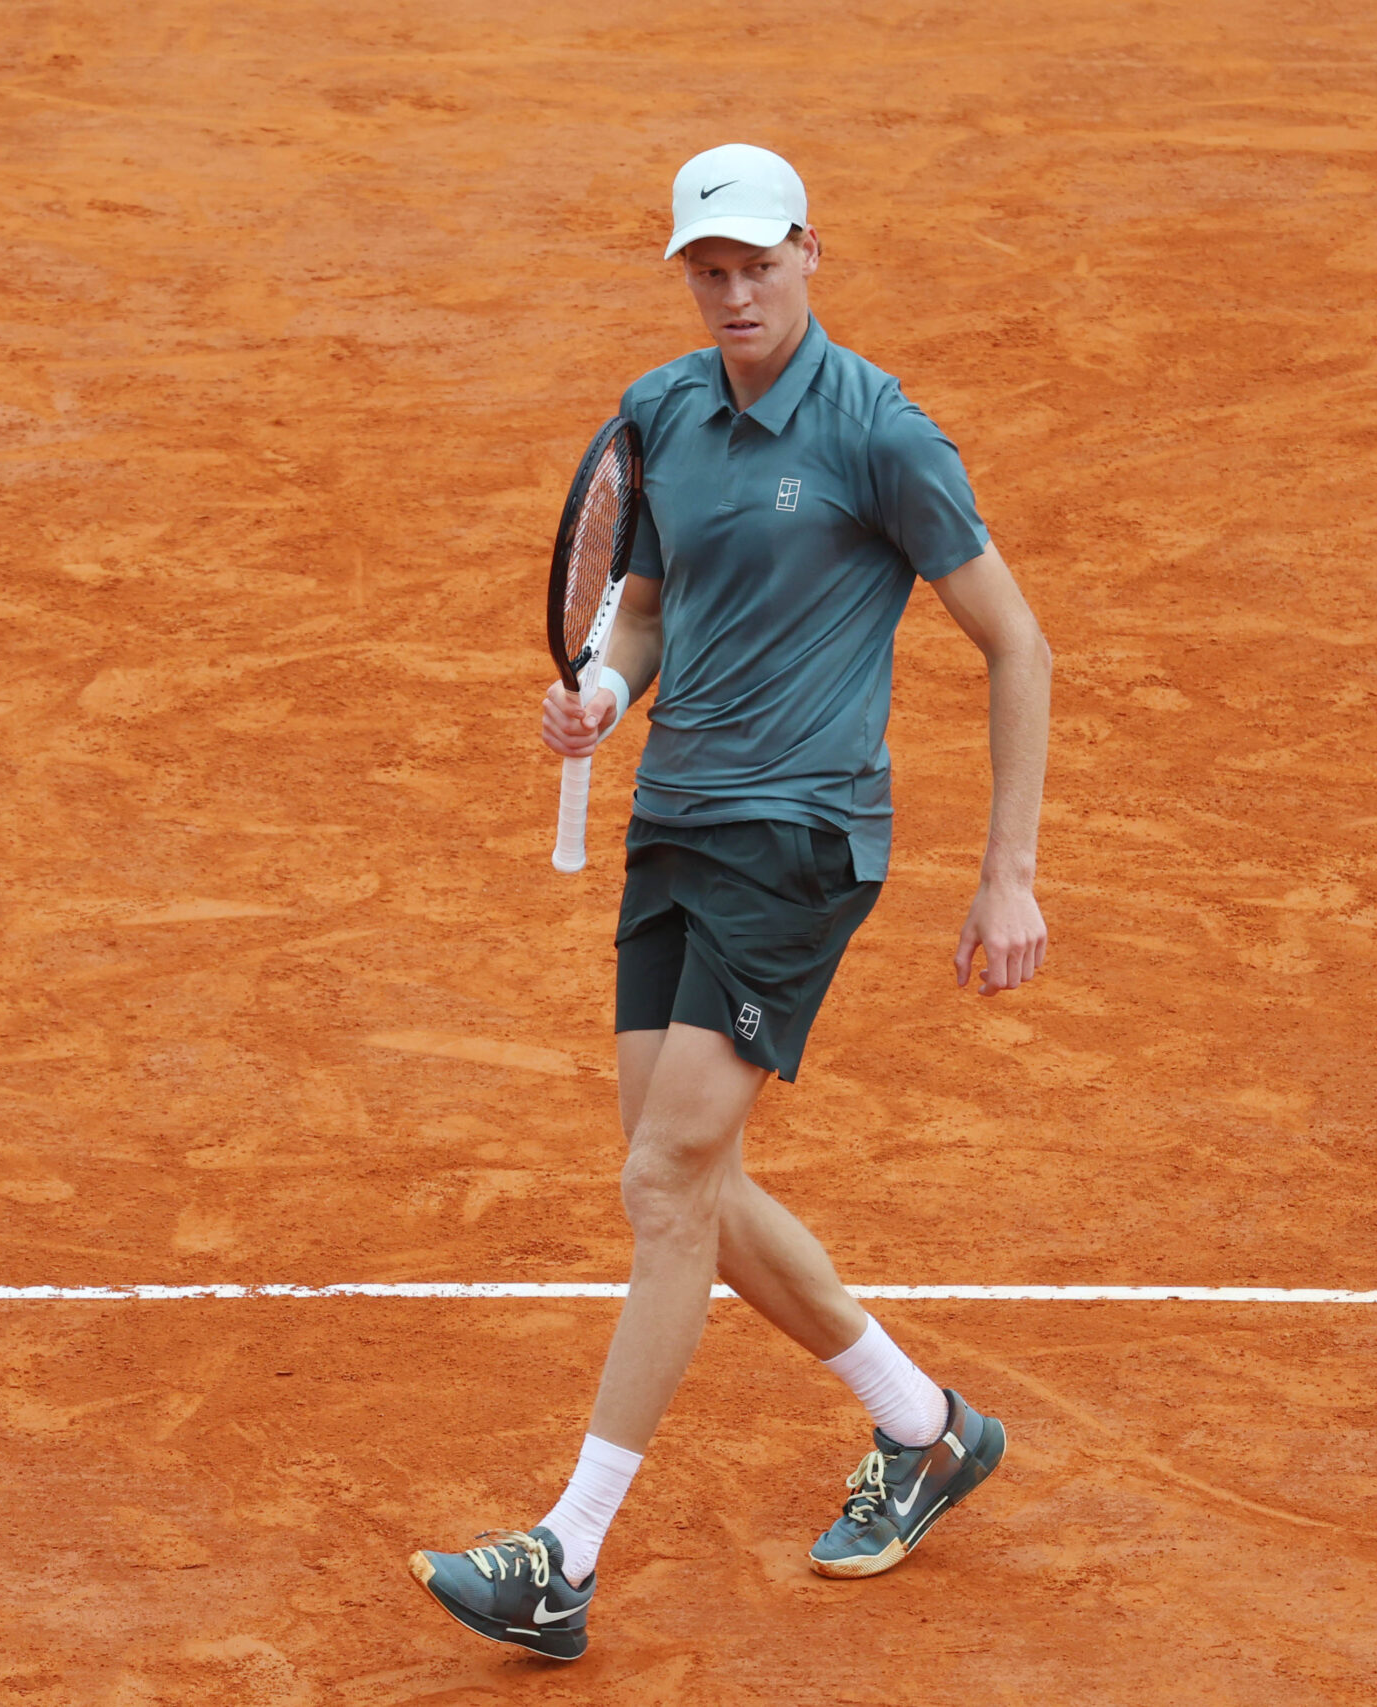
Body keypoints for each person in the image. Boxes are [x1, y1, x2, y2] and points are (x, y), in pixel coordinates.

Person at [408, 143, 1052, 1662]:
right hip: (676, 827)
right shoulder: (663, 411)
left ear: (809, 253)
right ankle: (926, 1428)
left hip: (802, 843)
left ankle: (563, 1556)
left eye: (760, 263)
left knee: (662, 1185)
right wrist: (604, 697)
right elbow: (639, 610)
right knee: (684, 1179)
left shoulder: (882, 433)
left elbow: (1018, 645)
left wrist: (1008, 873)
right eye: (711, 269)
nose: (736, 291)